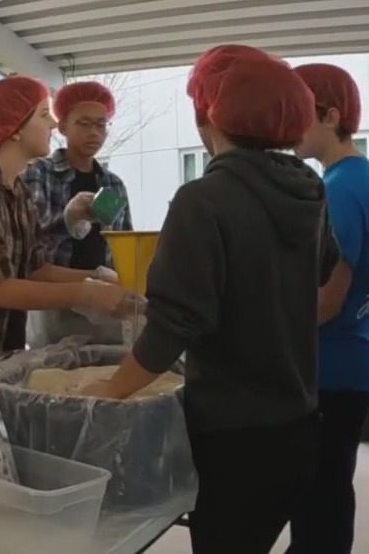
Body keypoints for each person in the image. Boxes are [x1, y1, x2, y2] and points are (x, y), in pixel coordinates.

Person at [79, 45, 338, 554]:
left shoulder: (204, 199)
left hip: (235, 436)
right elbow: (325, 268)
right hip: (301, 421)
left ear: (207, 120)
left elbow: (176, 323)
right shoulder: (309, 188)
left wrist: (111, 389)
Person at [0, 76, 133, 367]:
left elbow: (36, 268)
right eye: (44, 115)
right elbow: (0, 289)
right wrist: (86, 292)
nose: (53, 126)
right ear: (14, 127)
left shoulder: (16, 189)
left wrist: (101, 277)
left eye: (101, 123)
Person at [286, 63, 369, 554]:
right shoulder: (360, 177)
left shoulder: (336, 190)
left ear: (331, 115)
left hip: (330, 364)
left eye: (298, 116)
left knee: (317, 495)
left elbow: (328, 300)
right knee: (334, 487)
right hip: (355, 357)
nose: (288, 129)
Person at [23, 81, 132, 269]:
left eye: (101, 125)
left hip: (104, 293)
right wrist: (67, 221)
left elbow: (125, 248)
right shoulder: (40, 174)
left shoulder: (114, 184)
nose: (94, 133)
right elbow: (27, 246)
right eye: (84, 123)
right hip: (52, 293)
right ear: (63, 127)